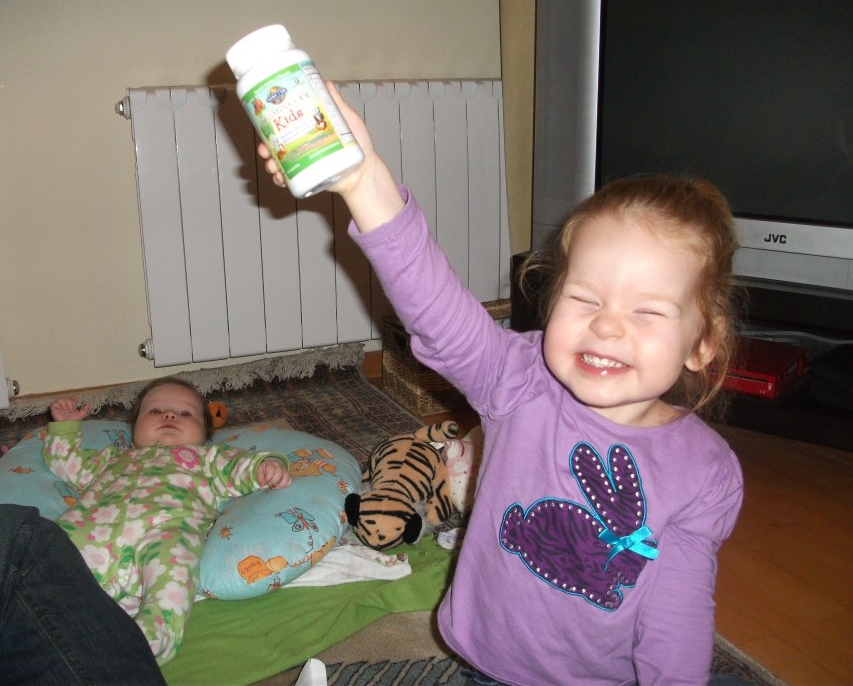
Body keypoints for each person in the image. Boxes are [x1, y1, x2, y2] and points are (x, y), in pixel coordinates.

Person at [257, 84, 744, 685]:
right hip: (489, 664)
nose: (607, 325)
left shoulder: (707, 472)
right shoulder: (519, 379)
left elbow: (679, 618)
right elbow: (437, 309)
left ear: (703, 343)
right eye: (584, 298)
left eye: (646, 311)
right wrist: (363, 182)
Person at [44, 376, 292, 665]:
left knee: (175, 571)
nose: (170, 415)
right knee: (52, 547)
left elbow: (239, 467)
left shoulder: (207, 457)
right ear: (134, 428)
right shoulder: (113, 459)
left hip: (169, 528)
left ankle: (147, 640)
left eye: (185, 413)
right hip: (95, 529)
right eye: (155, 411)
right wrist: (65, 427)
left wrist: (264, 467)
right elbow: (67, 463)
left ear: (205, 432)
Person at [0, 503, 167, 685]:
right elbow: (69, 459)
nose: (169, 418)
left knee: (25, 544)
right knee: (26, 542)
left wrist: (153, 633)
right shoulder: (112, 459)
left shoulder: (191, 471)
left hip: (150, 537)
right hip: (82, 551)